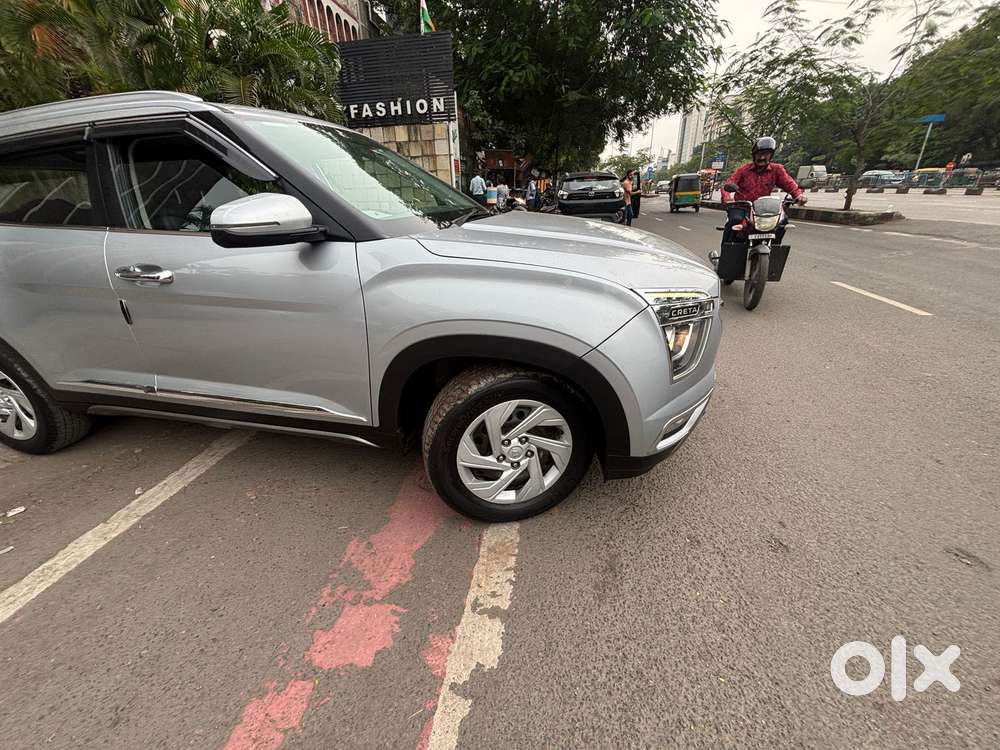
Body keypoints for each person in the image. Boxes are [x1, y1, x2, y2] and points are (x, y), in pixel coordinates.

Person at [716, 136, 807, 253]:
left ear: (771, 155)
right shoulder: (743, 170)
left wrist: (799, 196)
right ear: (754, 155)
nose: (762, 157)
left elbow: (790, 185)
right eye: (759, 154)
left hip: (764, 209)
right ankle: (726, 255)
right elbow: (729, 184)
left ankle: (774, 250)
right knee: (734, 220)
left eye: (766, 153)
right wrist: (727, 197)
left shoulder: (777, 170)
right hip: (743, 207)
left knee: (782, 222)